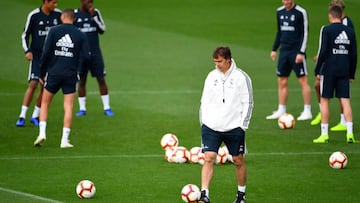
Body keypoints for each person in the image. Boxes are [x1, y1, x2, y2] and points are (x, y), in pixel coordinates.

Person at [199, 46, 253, 203]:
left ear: (228, 60)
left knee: (238, 160)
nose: (217, 65)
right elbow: (204, 101)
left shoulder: (241, 77)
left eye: (220, 61)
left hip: (234, 128)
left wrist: (243, 126)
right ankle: (204, 194)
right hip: (211, 126)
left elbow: (248, 102)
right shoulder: (211, 77)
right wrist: (204, 123)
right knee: (209, 158)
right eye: (215, 61)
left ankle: (241, 195)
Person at [33, 8, 90, 148]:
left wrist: (41, 71)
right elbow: (86, 56)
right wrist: (79, 69)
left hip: (54, 72)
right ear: (74, 19)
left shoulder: (53, 31)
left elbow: (45, 52)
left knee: (45, 103)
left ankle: (41, 133)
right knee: (69, 106)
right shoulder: (80, 34)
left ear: (63, 17)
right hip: (70, 73)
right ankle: (64, 140)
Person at [312, 5, 357, 144]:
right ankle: (350, 133)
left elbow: (324, 51)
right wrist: (352, 74)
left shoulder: (327, 29)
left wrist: (317, 70)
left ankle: (324, 134)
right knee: (345, 100)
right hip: (344, 70)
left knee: (325, 100)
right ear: (341, 15)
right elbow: (354, 54)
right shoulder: (350, 31)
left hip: (329, 70)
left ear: (331, 15)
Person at [16, 0, 62, 127]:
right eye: (53, 2)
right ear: (46, 2)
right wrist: (27, 51)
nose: (56, 5)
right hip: (36, 56)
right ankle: (22, 115)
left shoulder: (58, 15)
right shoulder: (34, 15)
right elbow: (25, 35)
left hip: (51, 58)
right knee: (33, 83)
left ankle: (35, 115)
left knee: (45, 87)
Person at [266, 0, 312, 121]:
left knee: (303, 80)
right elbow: (279, 32)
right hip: (284, 52)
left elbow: (305, 33)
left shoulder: (301, 12)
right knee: (282, 80)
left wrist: (301, 52)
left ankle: (307, 110)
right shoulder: (279, 11)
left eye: (288, 0)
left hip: (296, 52)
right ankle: (281, 109)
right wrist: (274, 49)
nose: (286, 2)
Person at [74, 0, 114, 117]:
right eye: (88, 1)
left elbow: (103, 29)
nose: (90, 4)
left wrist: (93, 17)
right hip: (81, 55)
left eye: (91, 1)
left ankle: (107, 108)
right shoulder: (75, 15)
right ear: (82, 1)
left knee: (101, 79)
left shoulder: (95, 13)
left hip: (95, 54)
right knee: (81, 81)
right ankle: (82, 109)